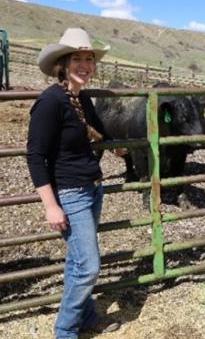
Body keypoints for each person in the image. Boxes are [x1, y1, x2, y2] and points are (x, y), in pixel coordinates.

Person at [27, 28, 124, 338]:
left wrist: (116, 145)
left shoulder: (82, 99)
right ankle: (65, 331)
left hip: (93, 188)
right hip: (70, 194)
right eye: (77, 59)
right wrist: (51, 206)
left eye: (89, 59)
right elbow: (35, 156)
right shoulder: (50, 102)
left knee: (78, 262)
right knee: (89, 266)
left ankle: (85, 317)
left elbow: (96, 128)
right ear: (63, 64)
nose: (85, 65)